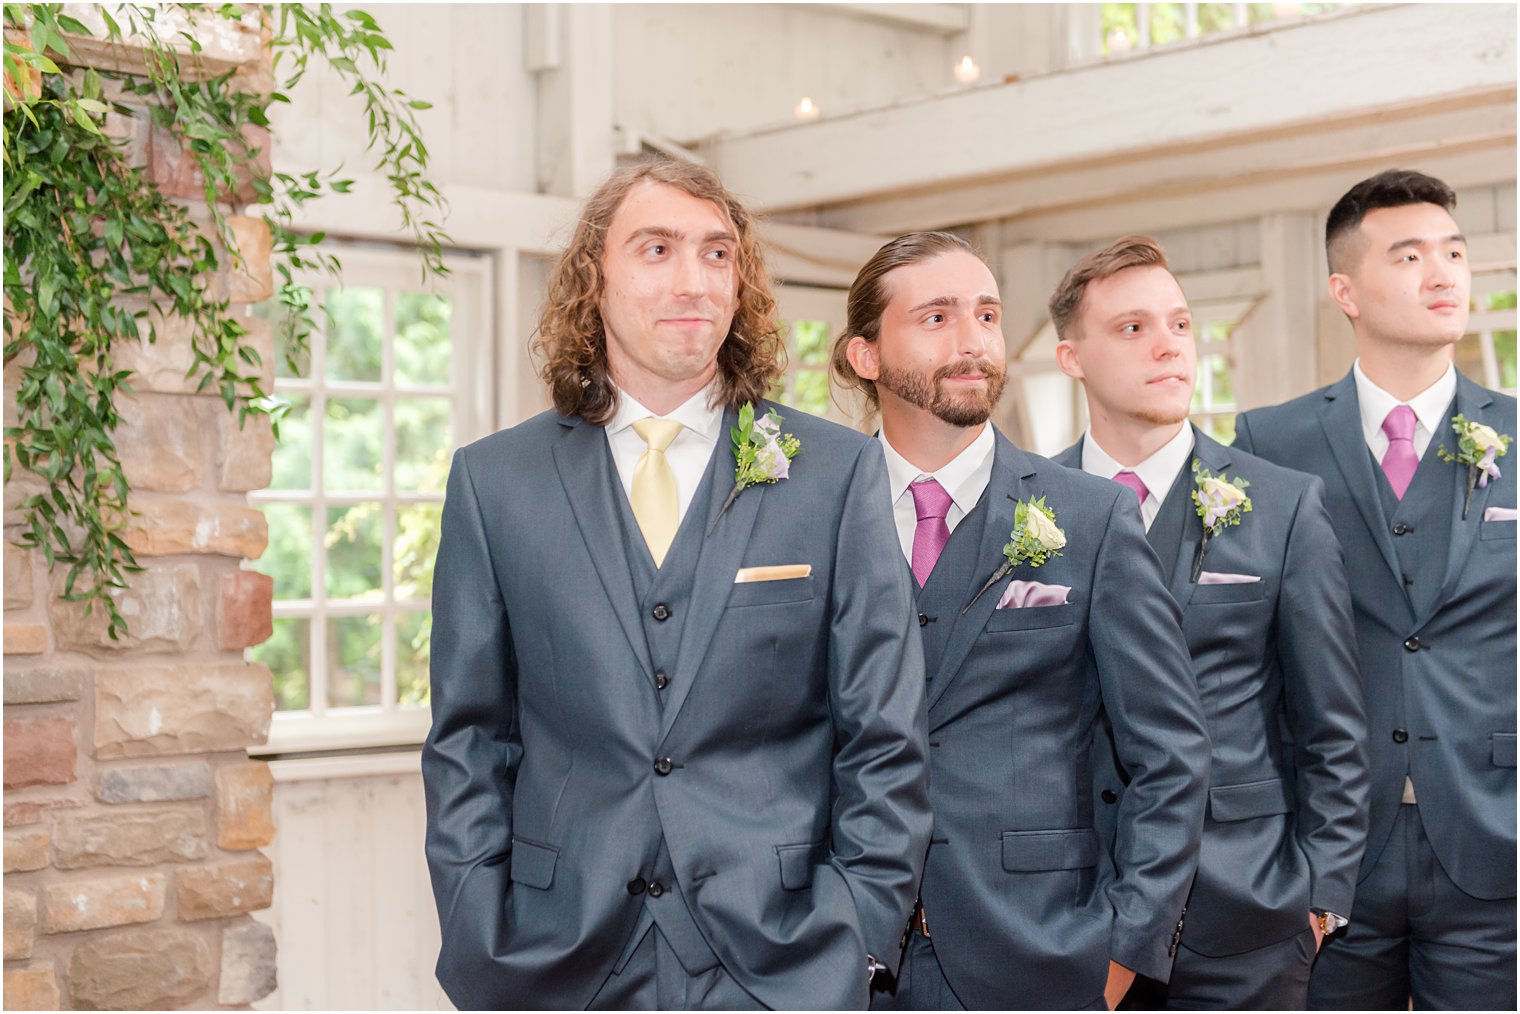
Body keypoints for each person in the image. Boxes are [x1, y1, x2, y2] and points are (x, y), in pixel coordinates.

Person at [422, 158, 932, 1011]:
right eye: (656, 249)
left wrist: (854, 937)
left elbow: (885, 734)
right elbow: (469, 739)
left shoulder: (837, 473)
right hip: (557, 958)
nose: (692, 279)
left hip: (782, 959)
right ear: (597, 277)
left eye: (716, 254)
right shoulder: (494, 482)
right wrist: (482, 935)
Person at [832, 231, 1210, 1011]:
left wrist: (1123, 952)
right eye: (936, 318)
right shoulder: (812, 516)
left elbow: (1170, 754)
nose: (973, 342)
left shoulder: (1093, 516)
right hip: (845, 953)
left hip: (1042, 951)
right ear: (866, 355)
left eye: (987, 315)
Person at [1049, 235, 1370, 1009]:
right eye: (1132, 329)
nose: (1168, 346)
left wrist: (1320, 895)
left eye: (1181, 325)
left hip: (1245, 912)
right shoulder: (1030, 505)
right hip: (1074, 908)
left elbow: (1331, 722)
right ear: (1072, 358)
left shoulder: (1284, 504)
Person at [1233, 169, 1517, 1010]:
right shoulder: (1268, 441)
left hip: (1495, 837)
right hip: (1330, 846)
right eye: (1410, 255)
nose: (1444, 274)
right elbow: (1246, 645)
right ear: (1345, 290)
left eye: (1455, 253)